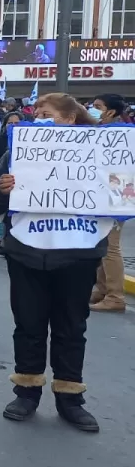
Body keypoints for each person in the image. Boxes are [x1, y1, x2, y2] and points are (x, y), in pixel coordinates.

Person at [0, 93, 107, 432]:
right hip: (28, 253)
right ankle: (27, 390)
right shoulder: (18, 152)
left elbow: (117, 194)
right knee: (29, 324)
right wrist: (2, 190)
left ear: (69, 119)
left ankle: (70, 396)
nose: (37, 117)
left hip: (78, 252)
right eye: (35, 112)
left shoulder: (100, 153)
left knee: (71, 327)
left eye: (45, 113)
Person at [89, 94, 128, 313]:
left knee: (111, 246)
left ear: (111, 111)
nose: (92, 109)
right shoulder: (100, 131)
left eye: (97, 107)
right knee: (100, 242)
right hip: (102, 193)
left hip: (116, 193)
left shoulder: (120, 134)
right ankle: (102, 288)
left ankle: (115, 296)